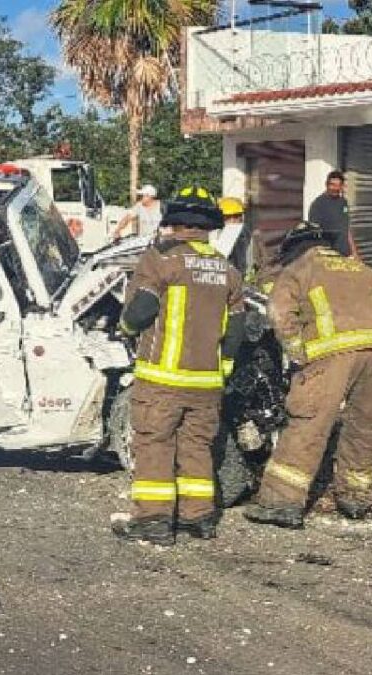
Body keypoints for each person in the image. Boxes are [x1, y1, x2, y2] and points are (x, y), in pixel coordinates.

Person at [244, 221, 372, 529]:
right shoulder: (364, 271)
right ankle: (355, 499)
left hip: (332, 354)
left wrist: (297, 352)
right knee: (365, 426)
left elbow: (279, 313)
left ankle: (281, 503)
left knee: (309, 422)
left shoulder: (300, 269)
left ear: (296, 249)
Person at [112, 185, 246, 545]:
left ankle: (153, 521)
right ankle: (198, 518)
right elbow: (235, 331)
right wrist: (225, 369)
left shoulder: (162, 259)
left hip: (162, 380)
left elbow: (140, 310)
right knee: (197, 447)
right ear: (209, 225)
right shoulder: (227, 270)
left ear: (174, 221)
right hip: (207, 384)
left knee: (154, 445)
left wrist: (123, 327)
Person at [307, 171, 358, 258]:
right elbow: (314, 234)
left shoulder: (343, 202)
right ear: (326, 185)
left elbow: (346, 228)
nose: (335, 188)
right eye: (332, 184)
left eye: (339, 185)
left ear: (342, 186)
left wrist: (355, 252)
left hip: (346, 254)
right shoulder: (318, 204)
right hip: (330, 256)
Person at [212, 196, 255, 277]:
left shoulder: (247, 234)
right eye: (227, 217)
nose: (232, 221)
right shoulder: (213, 234)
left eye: (236, 216)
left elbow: (251, 261)